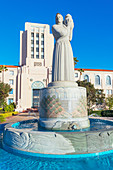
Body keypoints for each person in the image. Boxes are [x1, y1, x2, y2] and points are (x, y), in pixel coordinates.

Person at [52, 13, 75, 82]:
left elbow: (70, 37)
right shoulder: (54, 26)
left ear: (62, 19)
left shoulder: (65, 27)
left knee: (68, 63)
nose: (58, 18)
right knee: (60, 64)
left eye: (60, 17)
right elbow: (63, 33)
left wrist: (71, 26)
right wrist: (69, 26)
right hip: (60, 45)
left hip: (67, 45)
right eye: (57, 17)